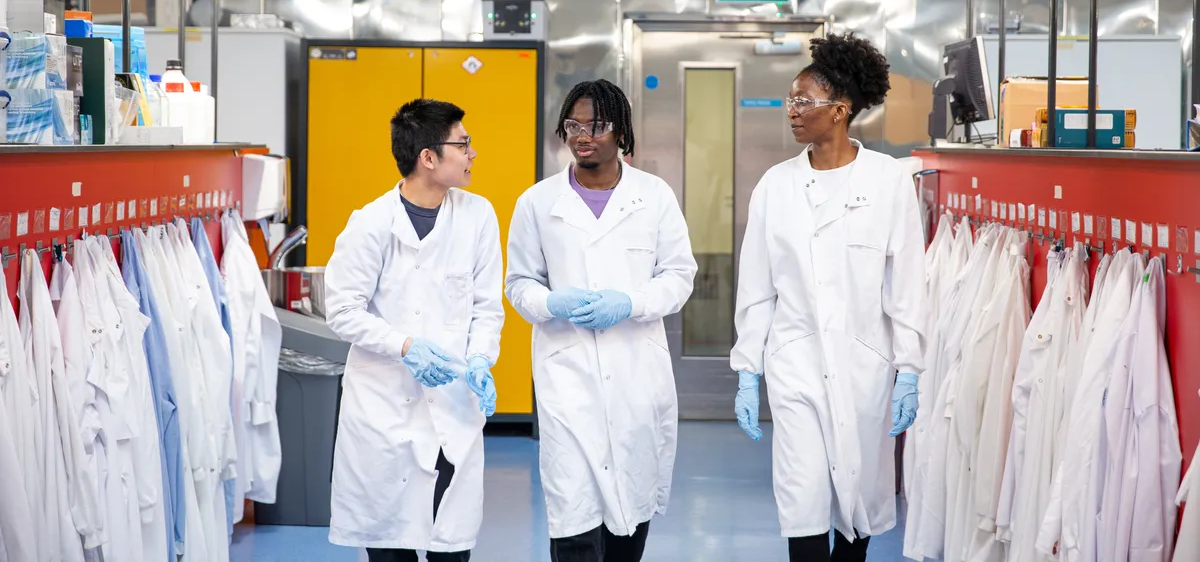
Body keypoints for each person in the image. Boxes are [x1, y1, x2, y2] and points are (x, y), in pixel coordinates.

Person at [730, 33, 927, 562]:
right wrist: (749, 370)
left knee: (857, 508)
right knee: (804, 500)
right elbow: (756, 288)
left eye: (803, 101)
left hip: (864, 366)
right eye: (789, 101)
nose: (791, 112)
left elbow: (905, 284)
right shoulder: (775, 185)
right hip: (795, 364)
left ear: (840, 111)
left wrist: (909, 368)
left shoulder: (888, 181)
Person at [505, 79, 698, 562]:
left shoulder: (654, 196)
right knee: (573, 516)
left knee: (629, 516)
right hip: (567, 377)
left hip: (636, 373)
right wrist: (553, 303)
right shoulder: (538, 202)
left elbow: (679, 276)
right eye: (574, 124)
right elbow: (519, 283)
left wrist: (630, 303)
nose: (583, 135)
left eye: (597, 124)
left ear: (621, 131)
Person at [324, 98, 504, 562]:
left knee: (450, 548)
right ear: (428, 157)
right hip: (384, 411)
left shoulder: (477, 215)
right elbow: (342, 310)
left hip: (452, 406)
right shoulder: (371, 224)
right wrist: (404, 345)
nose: (472, 154)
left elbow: (487, 306)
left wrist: (483, 358)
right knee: (389, 548)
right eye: (463, 145)